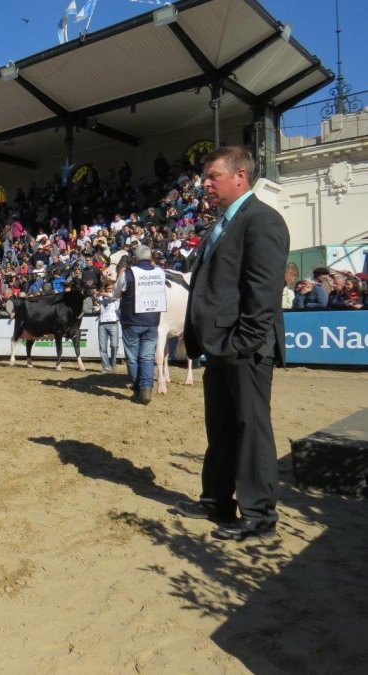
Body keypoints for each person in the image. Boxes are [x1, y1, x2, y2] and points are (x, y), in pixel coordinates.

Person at [177, 146, 290, 543]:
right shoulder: (224, 222)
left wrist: (241, 343)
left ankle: (259, 518)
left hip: (244, 348)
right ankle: (217, 502)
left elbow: (263, 293)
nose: (204, 184)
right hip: (220, 345)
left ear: (240, 176)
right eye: (205, 177)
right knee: (222, 429)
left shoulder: (262, 220)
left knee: (251, 430)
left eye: (213, 176)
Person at [114, 245, 165, 404]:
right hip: (152, 321)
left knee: (133, 358)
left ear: (135, 258)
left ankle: (138, 389)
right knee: (147, 357)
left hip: (132, 321)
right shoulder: (160, 272)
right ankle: (147, 389)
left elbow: (116, 292)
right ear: (150, 258)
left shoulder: (129, 273)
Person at [97, 281, 120, 373]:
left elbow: (111, 295)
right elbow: (96, 303)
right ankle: (106, 366)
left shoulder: (116, 297)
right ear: (105, 288)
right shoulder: (100, 297)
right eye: (108, 288)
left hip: (113, 323)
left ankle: (113, 363)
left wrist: (100, 292)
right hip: (102, 323)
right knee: (102, 347)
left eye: (111, 288)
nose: (110, 290)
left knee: (114, 345)